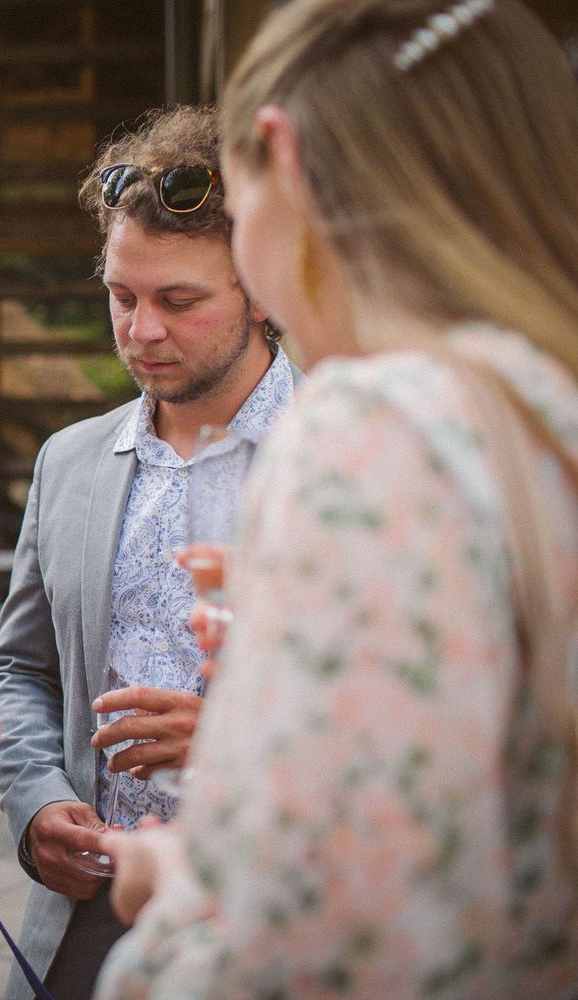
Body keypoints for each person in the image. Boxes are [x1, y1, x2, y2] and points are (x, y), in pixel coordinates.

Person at [95, 0, 578, 996]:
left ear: (283, 157)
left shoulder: (372, 426)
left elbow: (309, 954)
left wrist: (178, 880)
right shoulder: (540, 403)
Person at [0, 105, 301, 1000]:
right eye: (123, 296)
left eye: (180, 301)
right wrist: (36, 799)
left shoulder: (351, 455)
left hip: (277, 922)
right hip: (86, 919)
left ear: (265, 289)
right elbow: (23, 669)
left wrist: (237, 741)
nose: (142, 331)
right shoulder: (68, 461)